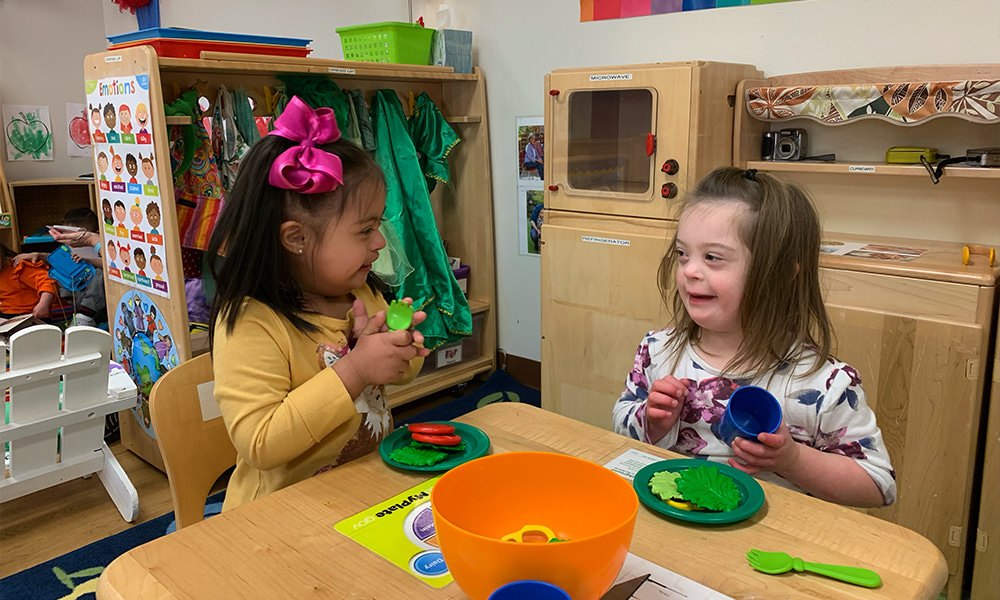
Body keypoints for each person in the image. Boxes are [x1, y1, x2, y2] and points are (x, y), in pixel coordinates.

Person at [612, 167, 895, 508]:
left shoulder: (824, 385)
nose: (689, 271)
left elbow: (879, 486)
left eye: (712, 258)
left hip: (769, 549)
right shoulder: (657, 351)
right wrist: (650, 421)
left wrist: (793, 460)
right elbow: (620, 424)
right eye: (682, 254)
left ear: (779, 275)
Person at [205, 96, 430, 511]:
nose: (380, 243)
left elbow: (400, 375)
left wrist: (398, 348)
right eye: (365, 231)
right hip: (276, 518)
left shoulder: (361, 291)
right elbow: (261, 442)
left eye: (377, 226)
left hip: (357, 493)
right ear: (296, 239)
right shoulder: (252, 323)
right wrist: (356, 368)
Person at [19, 208, 107, 327]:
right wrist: (38, 255)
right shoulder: (69, 247)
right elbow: (57, 259)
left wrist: (87, 259)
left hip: (95, 306)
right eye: (66, 236)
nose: (70, 241)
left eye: (75, 237)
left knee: (98, 274)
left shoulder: (100, 249)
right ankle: (67, 311)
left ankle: (85, 316)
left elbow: (107, 266)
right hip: (73, 296)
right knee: (53, 274)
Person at [0, 241, 58, 319]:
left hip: (31, 314)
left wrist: (43, 304)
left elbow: (48, 281)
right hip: (6, 314)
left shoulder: (18, 267)